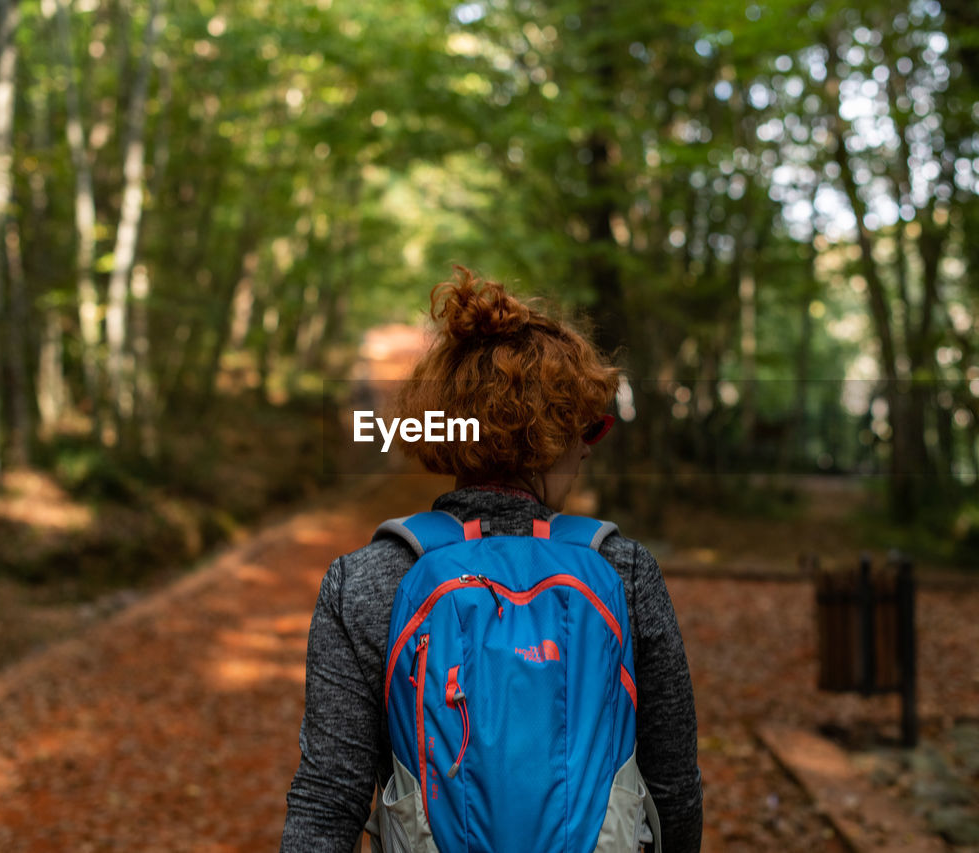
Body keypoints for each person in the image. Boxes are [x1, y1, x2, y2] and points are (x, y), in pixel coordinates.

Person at [279, 268, 702, 853]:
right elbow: (673, 789)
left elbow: (330, 798)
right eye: (586, 427)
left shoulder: (367, 579)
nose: (587, 447)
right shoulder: (625, 573)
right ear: (549, 436)